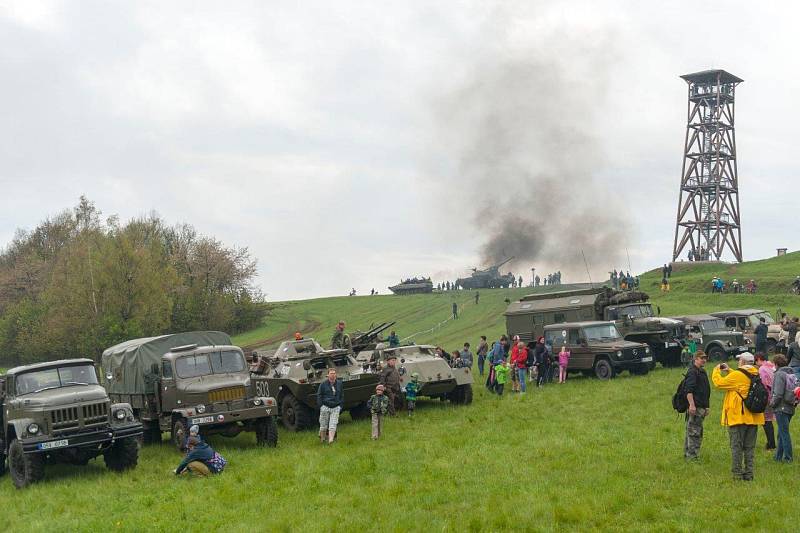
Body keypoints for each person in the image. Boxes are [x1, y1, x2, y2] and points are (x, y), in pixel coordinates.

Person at [711, 353, 766, 480]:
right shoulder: (756, 373)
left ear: (742, 362)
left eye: (739, 360)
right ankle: (749, 474)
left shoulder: (737, 376)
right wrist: (729, 370)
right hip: (753, 417)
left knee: (736, 447)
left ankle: (737, 474)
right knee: (749, 448)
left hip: (738, 418)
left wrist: (716, 370)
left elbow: (719, 383)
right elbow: (740, 377)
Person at [770, 354, 796, 463]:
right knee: (781, 433)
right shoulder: (791, 373)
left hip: (781, 407)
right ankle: (778, 456)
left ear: (776, 364)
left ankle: (788, 457)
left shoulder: (779, 374)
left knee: (784, 433)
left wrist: (771, 404)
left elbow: (778, 393)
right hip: (790, 406)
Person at [684, 352, 711, 460]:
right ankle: (692, 456)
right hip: (695, 407)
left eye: (705, 358)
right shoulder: (692, 372)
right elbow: (688, 390)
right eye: (701, 358)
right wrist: (691, 405)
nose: (704, 360)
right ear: (695, 359)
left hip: (702, 406)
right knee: (694, 432)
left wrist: (707, 406)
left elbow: (706, 390)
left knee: (696, 430)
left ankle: (689, 454)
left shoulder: (702, 372)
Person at [755, 354, 776, 451]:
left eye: (756, 361)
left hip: (766, 397)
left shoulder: (762, 369)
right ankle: (770, 444)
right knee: (768, 421)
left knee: (766, 421)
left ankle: (771, 445)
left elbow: (763, 383)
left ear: (759, 359)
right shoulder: (772, 366)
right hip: (774, 396)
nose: (756, 364)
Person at [317, 368, 343, 444]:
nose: (333, 375)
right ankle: (322, 439)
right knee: (323, 425)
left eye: (334, 373)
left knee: (333, 424)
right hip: (325, 406)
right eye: (331, 373)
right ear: (328, 375)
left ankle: (331, 440)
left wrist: (340, 406)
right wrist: (321, 406)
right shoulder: (323, 384)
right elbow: (319, 395)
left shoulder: (339, 383)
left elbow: (342, 395)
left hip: (336, 406)